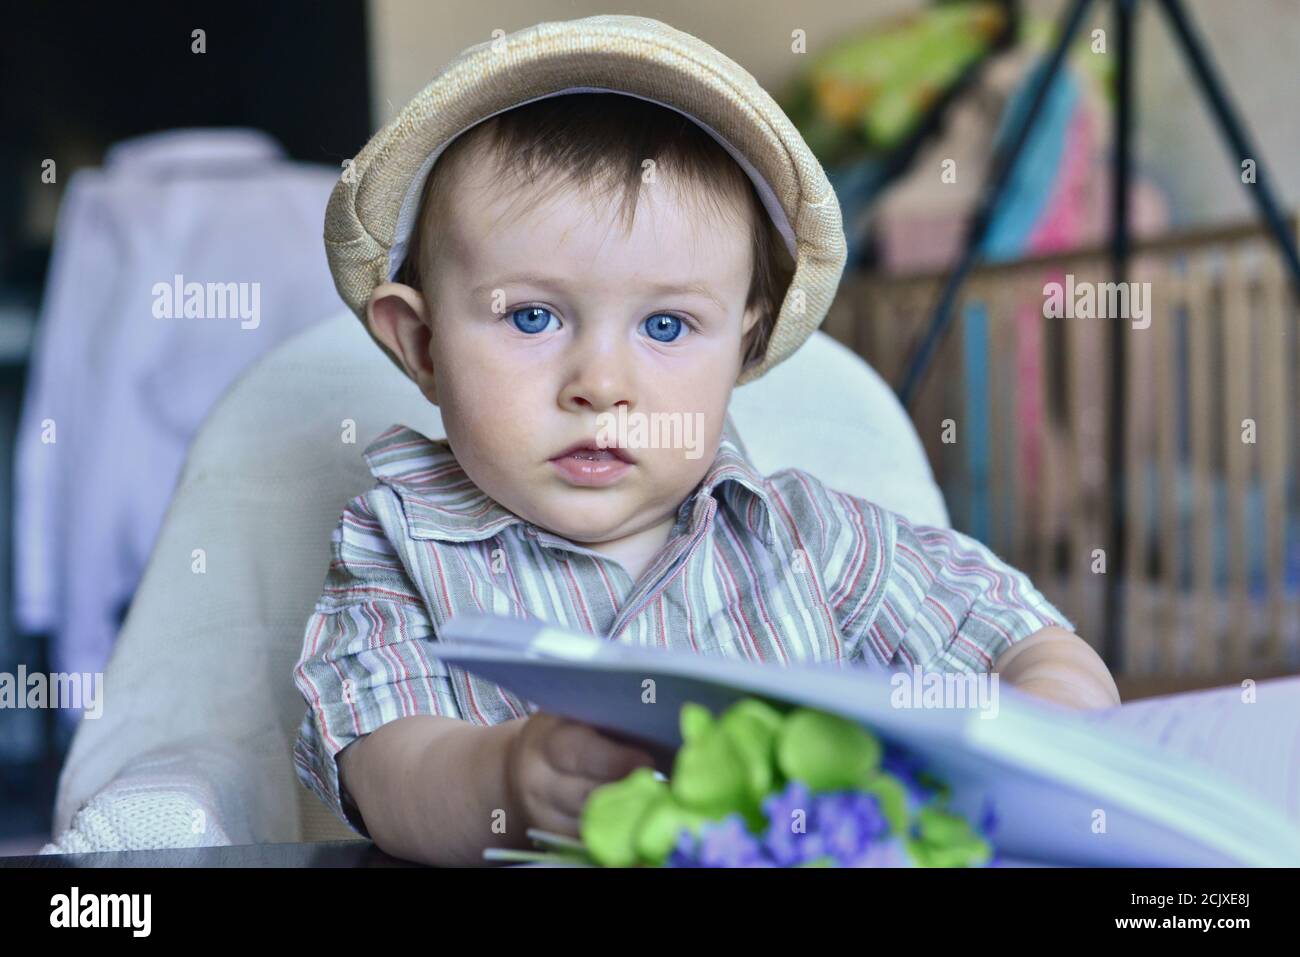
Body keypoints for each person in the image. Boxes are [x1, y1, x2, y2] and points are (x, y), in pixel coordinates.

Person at [293, 15, 1119, 866]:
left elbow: (1021, 636)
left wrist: (1053, 710)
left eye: (666, 323)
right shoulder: (398, 549)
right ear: (422, 345)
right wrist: (503, 781)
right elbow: (389, 768)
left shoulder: (814, 542)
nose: (602, 384)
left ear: (743, 348)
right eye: (532, 316)